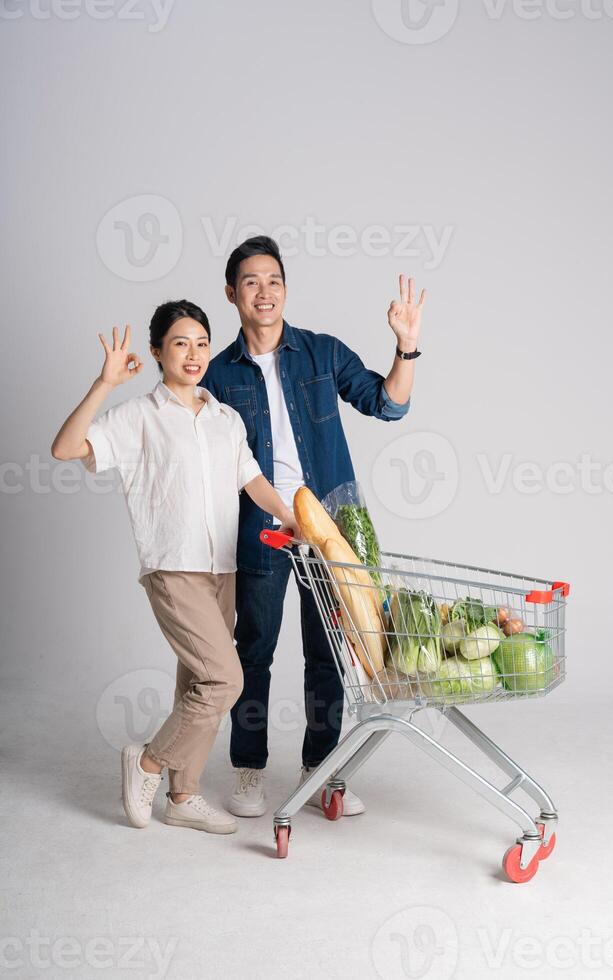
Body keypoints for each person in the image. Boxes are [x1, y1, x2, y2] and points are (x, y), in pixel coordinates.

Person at [51, 300, 298, 835]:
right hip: (172, 566)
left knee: (196, 682)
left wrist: (294, 518)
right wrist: (104, 384)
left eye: (202, 342)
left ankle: (182, 797)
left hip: (221, 568)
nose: (193, 353)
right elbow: (66, 447)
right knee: (224, 679)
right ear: (158, 351)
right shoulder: (139, 416)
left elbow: (253, 480)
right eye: (180, 343)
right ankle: (147, 762)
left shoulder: (224, 418)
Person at [201, 237, 426, 818]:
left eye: (273, 279)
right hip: (260, 528)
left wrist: (406, 347)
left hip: (329, 527)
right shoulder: (219, 373)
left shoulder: (321, 353)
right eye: (251, 282)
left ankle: (321, 771)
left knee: (329, 652)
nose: (264, 291)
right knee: (254, 649)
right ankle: (248, 771)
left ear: (285, 288)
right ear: (232, 294)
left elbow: (389, 404)